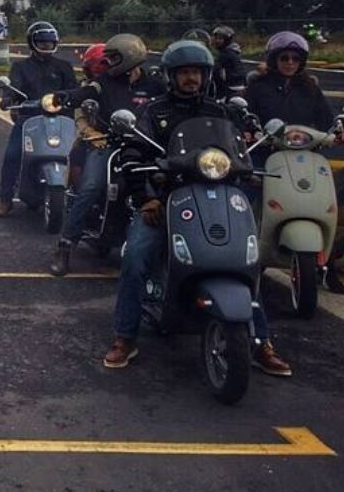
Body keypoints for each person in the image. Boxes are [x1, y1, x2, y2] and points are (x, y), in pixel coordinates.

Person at [103, 40, 292, 377]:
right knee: (135, 256)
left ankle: (261, 342)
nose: (191, 79)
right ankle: (125, 336)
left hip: (218, 196)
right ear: (171, 76)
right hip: (168, 199)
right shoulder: (155, 113)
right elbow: (133, 153)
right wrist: (146, 198)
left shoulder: (220, 112)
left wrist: (246, 169)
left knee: (247, 261)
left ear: (206, 76)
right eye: (184, 73)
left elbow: (239, 151)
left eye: (197, 72)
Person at [245, 31, 344, 293]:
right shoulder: (258, 87)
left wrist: (343, 130)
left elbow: (327, 118)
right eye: (284, 57)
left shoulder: (310, 88)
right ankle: (245, 253)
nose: (290, 63)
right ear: (273, 59)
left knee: (323, 203)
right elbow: (245, 114)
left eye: (295, 58)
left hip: (305, 154)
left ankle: (327, 265)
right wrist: (246, 129)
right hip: (267, 153)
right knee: (245, 198)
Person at [48, 34, 165, 276]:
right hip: (108, 144)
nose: (108, 63)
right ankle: (65, 247)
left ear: (130, 57)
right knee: (91, 187)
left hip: (145, 147)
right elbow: (85, 92)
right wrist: (66, 97)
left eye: (113, 58)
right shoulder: (105, 82)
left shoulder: (155, 85)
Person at [0, 21, 77, 217]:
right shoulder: (21, 67)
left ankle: (80, 199)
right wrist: (8, 98)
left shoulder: (64, 67)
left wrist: (77, 99)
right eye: (42, 41)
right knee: (12, 155)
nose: (47, 45)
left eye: (50, 42)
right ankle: (5, 200)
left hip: (60, 119)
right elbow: (14, 87)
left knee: (78, 156)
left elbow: (74, 90)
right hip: (30, 119)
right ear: (32, 43)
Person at [210, 26, 248, 98]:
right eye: (216, 38)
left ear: (227, 40)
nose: (216, 41)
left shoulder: (226, 54)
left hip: (231, 88)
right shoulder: (233, 52)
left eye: (220, 39)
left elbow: (214, 69)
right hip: (239, 85)